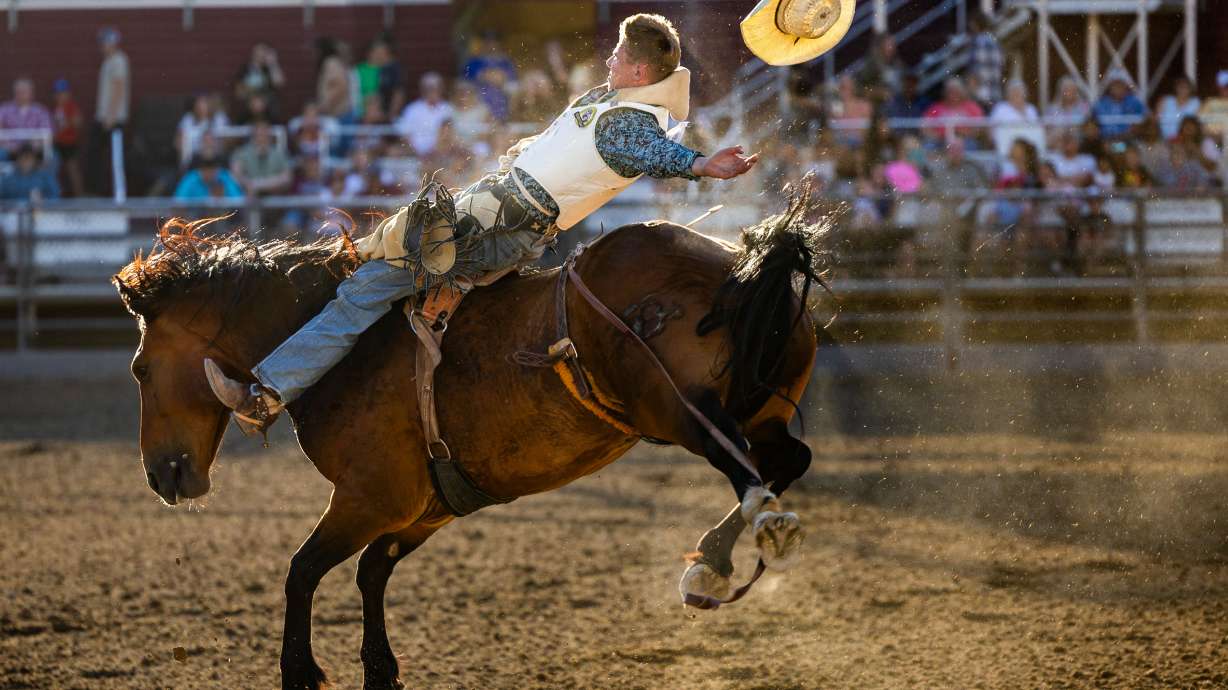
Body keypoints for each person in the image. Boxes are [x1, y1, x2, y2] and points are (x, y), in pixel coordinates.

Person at [205, 13, 763, 432]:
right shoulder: (618, 105)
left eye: (618, 55)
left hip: (499, 225)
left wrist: (701, 165)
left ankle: (265, 397)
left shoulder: (628, 122)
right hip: (495, 213)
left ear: (640, 71)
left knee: (364, 289)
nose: (610, 60)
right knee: (380, 264)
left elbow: (653, 153)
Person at [86, 27, 130, 196]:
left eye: (104, 43)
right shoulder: (107, 62)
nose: (102, 46)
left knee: (115, 157)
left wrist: (111, 115)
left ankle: (117, 193)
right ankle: (98, 191)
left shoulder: (119, 60)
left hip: (113, 119)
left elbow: (119, 88)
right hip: (103, 117)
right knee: (97, 155)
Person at [395, 73, 454, 156]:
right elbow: (405, 134)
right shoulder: (412, 109)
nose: (432, 91)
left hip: (441, 151)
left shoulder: (448, 108)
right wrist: (416, 152)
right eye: (428, 88)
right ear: (423, 90)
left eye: (435, 88)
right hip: (415, 152)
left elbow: (451, 134)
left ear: (441, 89)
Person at [230, 121, 292, 196]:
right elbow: (236, 175)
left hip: (275, 198)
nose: (262, 138)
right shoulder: (241, 153)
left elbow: (287, 177)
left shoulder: (279, 154)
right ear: (253, 136)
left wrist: (258, 185)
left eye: (265, 134)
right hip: (248, 198)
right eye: (259, 135)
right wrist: (248, 184)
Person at [0, 78, 53, 156]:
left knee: (53, 156)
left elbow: (48, 132)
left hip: (35, 149)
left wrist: (36, 145)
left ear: (31, 94)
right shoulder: (4, 109)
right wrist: (9, 146)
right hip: (9, 149)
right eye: (18, 92)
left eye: (24, 92)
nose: (21, 95)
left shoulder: (41, 111)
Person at [176, 93, 229, 168]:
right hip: (194, 156)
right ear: (194, 106)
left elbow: (228, 140)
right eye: (199, 104)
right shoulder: (188, 118)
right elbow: (177, 142)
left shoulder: (219, 118)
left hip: (216, 156)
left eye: (204, 103)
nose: (202, 107)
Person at [50, 79, 83, 197]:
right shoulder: (55, 108)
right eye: (57, 94)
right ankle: (56, 194)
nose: (60, 96)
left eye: (63, 93)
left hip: (69, 143)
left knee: (72, 169)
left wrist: (67, 123)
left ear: (68, 94)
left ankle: (79, 195)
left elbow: (78, 122)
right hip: (57, 143)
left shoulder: (71, 106)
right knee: (54, 168)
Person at [1093, 69, 1146, 139]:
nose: (1118, 88)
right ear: (1110, 86)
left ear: (1126, 86)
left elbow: (1145, 119)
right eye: (1115, 85)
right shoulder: (1101, 103)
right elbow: (1094, 123)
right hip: (1105, 140)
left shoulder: (1135, 102)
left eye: (1121, 85)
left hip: (1130, 139)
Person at [967, 13, 1003, 105]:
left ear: (975, 24)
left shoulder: (978, 42)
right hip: (995, 93)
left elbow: (975, 71)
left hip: (981, 95)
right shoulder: (994, 41)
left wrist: (971, 94)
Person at [173, 155, 244, 200]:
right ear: (199, 168)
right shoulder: (190, 179)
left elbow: (238, 201)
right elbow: (178, 203)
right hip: (195, 218)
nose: (209, 171)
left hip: (223, 217)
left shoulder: (225, 177)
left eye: (212, 167)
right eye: (206, 167)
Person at [1156, 76, 1200, 141]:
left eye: (1186, 87)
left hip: (1186, 140)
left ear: (1190, 89)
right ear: (1176, 88)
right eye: (1181, 87)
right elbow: (1156, 119)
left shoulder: (1195, 102)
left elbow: (1198, 122)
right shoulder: (1165, 100)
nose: (1183, 90)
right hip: (1164, 139)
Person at [1197, 70, 1228, 138]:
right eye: (1224, 87)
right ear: (1219, 87)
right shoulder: (1209, 102)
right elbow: (1200, 120)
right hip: (1211, 138)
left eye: (1227, 87)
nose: (1226, 90)